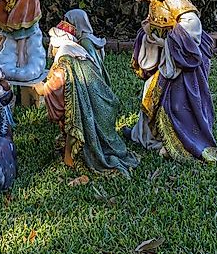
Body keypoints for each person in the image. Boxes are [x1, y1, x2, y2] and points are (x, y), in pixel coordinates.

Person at [127, 0, 217, 163]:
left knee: (176, 104)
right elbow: (157, 25)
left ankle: (180, 144)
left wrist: (168, 42)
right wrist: (149, 34)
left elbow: (192, 24)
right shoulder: (154, 1)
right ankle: (147, 136)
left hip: (181, 62)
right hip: (167, 59)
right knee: (150, 93)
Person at [33, 18, 139, 175]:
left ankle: (70, 159)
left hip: (82, 108)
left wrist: (41, 87)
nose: (52, 50)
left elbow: (56, 87)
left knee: (73, 127)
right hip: (100, 104)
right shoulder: (79, 51)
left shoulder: (64, 60)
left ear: (57, 44)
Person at [64, 7, 109, 85]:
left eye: (69, 23)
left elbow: (93, 63)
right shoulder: (85, 37)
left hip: (93, 80)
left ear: (77, 23)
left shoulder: (85, 40)